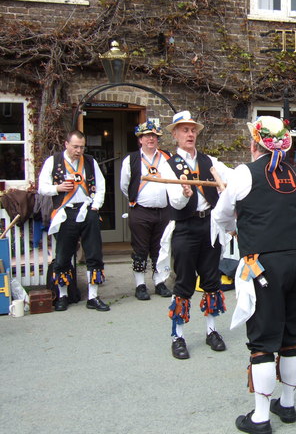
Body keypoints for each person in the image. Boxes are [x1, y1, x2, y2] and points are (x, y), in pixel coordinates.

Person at [213, 116, 296, 434]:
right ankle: (286, 404)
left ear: (253, 144)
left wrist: (236, 229)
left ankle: (260, 417)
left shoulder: (244, 172)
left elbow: (222, 215)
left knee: (263, 341)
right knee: (292, 337)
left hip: (266, 265)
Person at [158, 111, 232, 360]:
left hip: (209, 227)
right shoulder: (167, 166)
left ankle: (212, 331)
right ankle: (177, 336)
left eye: (192, 130)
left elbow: (232, 177)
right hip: (185, 228)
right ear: (175, 135)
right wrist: (184, 194)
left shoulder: (209, 161)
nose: (189, 134)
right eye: (184, 130)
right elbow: (176, 204)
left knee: (212, 280)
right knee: (184, 282)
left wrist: (239, 179)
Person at [38, 130, 108, 312]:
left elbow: (100, 186)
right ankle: (62, 296)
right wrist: (58, 188)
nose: (79, 150)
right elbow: (42, 188)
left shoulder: (90, 162)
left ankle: (93, 296)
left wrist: (96, 206)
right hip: (65, 212)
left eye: (82, 147)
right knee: (62, 255)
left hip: (87, 210)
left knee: (94, 254)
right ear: (66, 144)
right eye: (75, 146)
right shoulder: (53, 161)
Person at [120, 120, 173, 301]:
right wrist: (138, 197)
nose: (151, 138)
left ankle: (159, 282)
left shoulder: (167, 156)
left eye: (154, 136)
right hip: (141, 210)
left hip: (164, 210)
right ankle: (140, 285)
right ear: (140, 139)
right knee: (140, 249)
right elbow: (124, 185)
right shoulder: (131, 159)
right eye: (146, 136)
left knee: (160, 248)